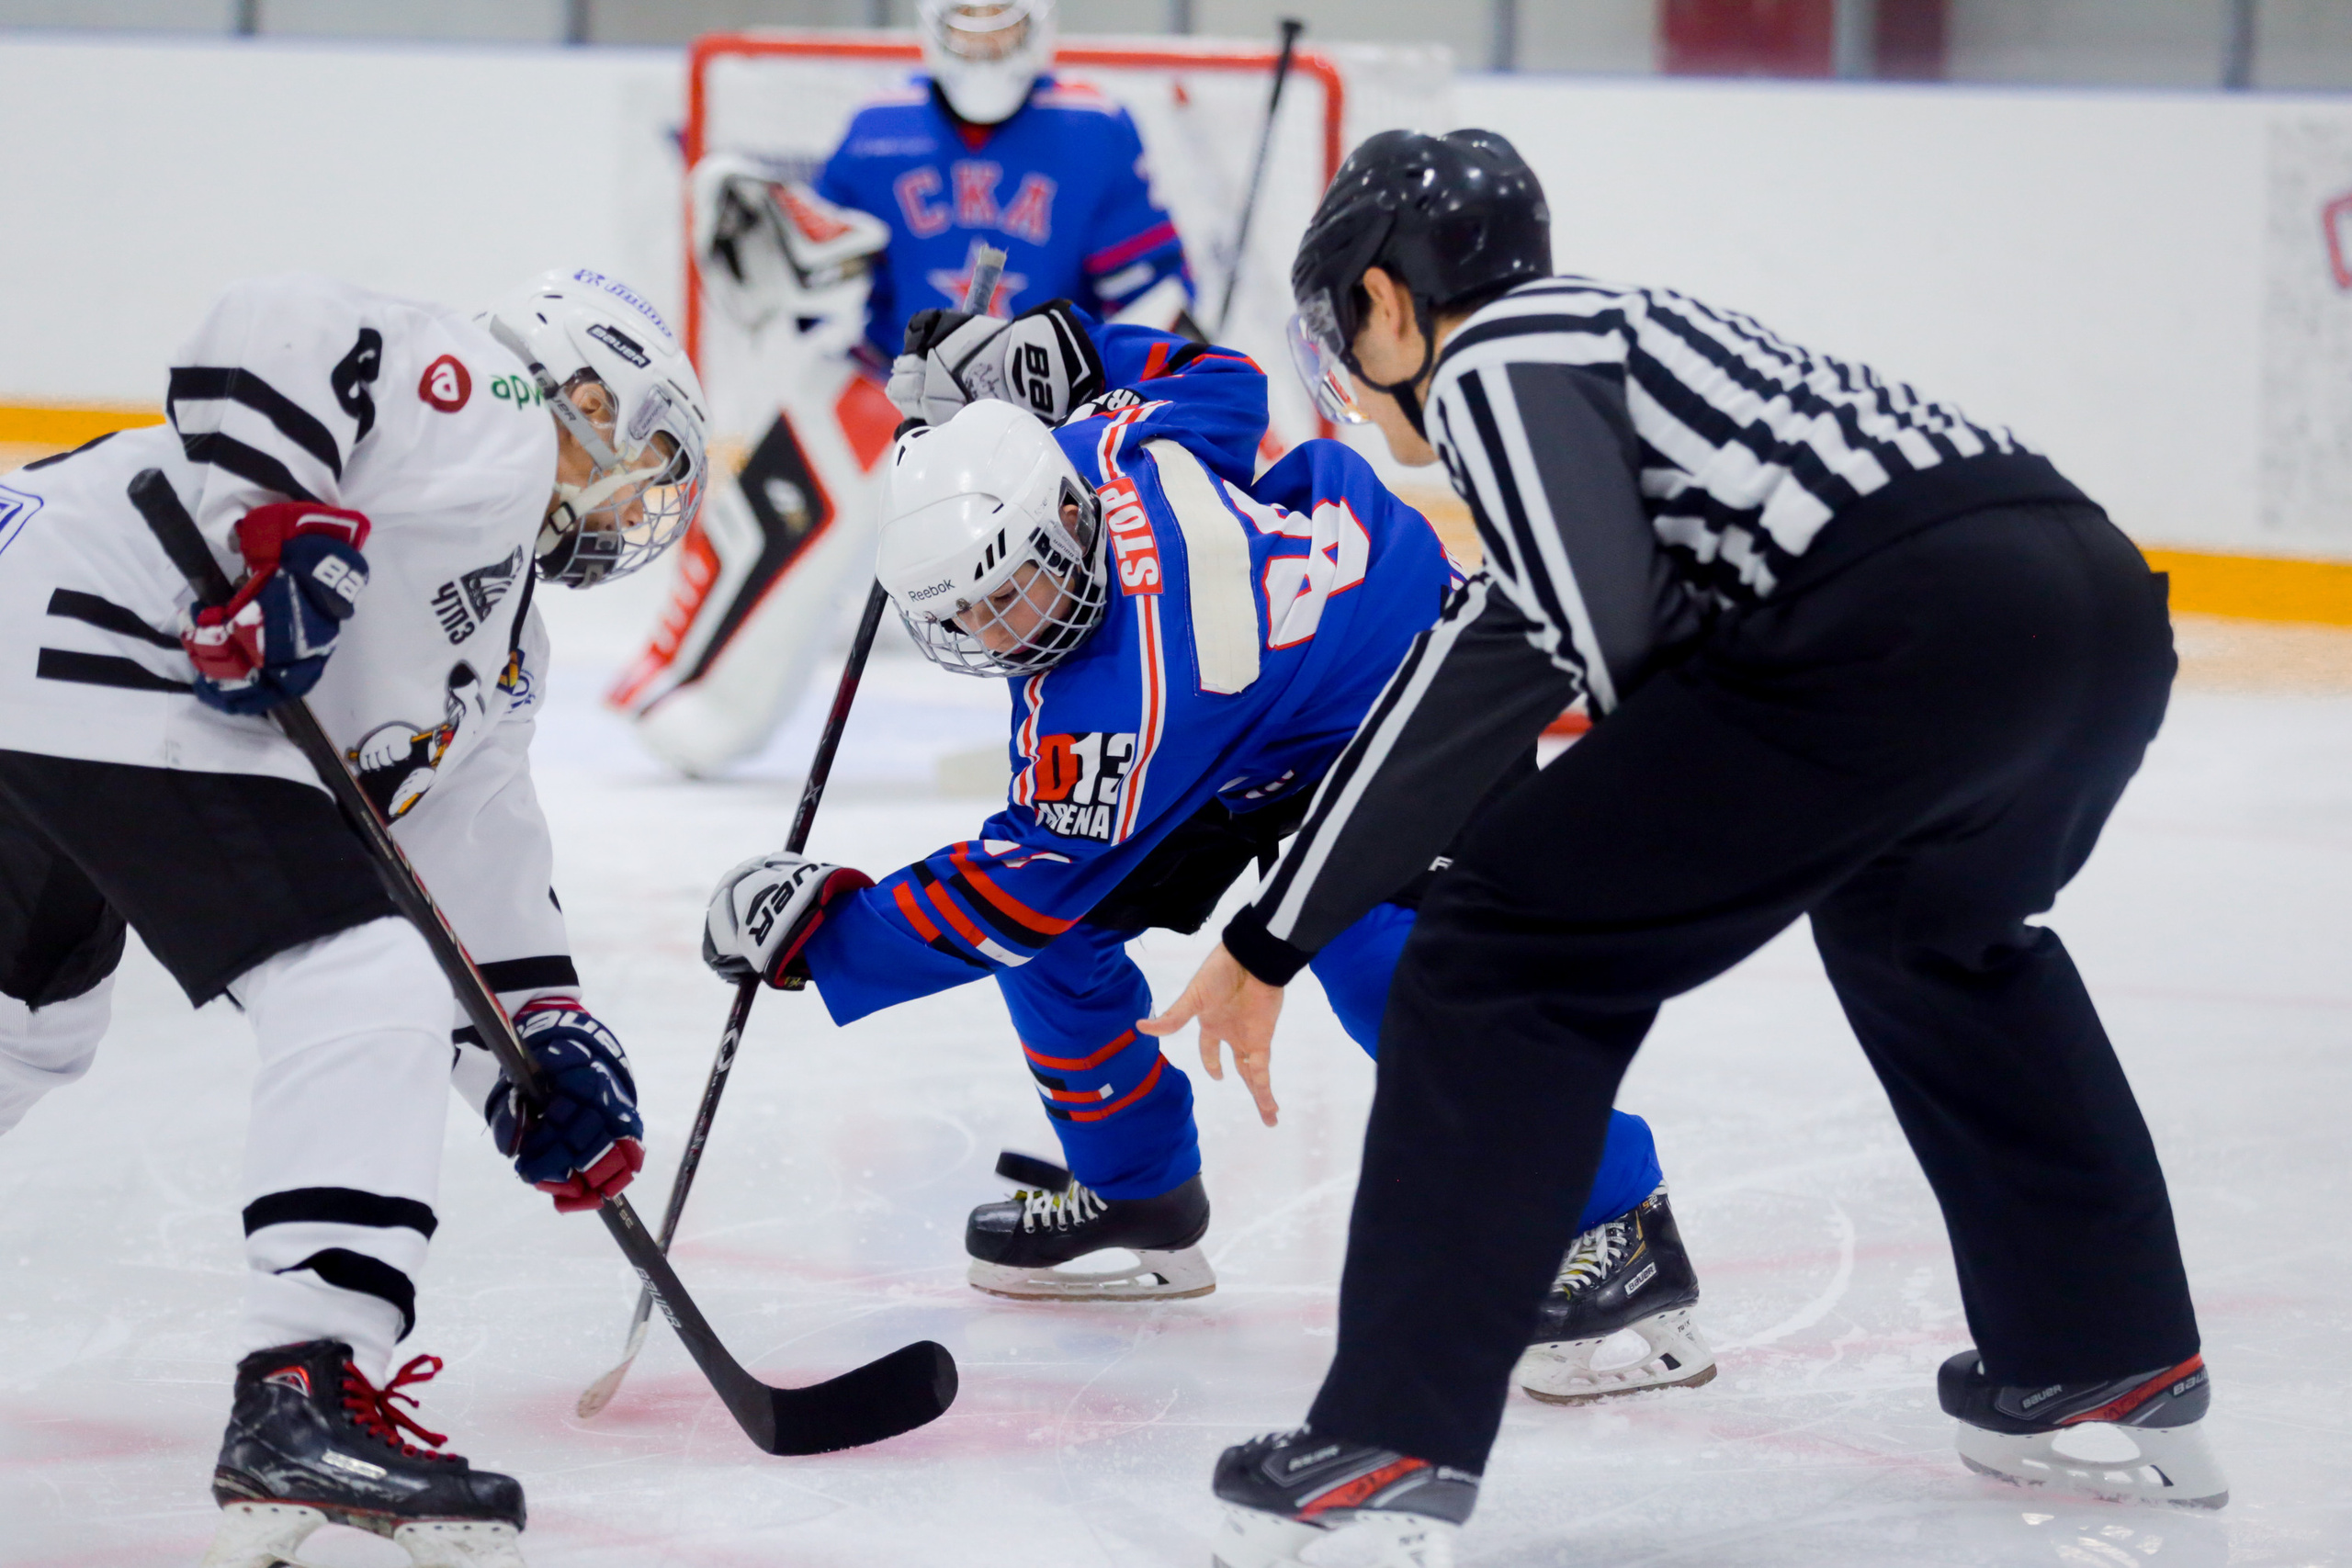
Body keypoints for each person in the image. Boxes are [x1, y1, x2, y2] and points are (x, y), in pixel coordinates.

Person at [1136, 130, 2223, 1568]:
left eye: (1345, 312)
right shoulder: (1628, 355)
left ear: (1393, 302)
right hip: (2083, 607)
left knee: (1490, 956)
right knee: (1934, 939)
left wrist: (1583, 900)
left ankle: (1388, 1444)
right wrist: (1275, 936)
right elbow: (1463, 691)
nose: (1345, 352)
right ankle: (2105, 1347)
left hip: (1898, 622)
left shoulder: (1499, 359)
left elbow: (1616, 662)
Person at [697, 299, 1715, 1406]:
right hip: (1252, 726)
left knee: (1393, 969)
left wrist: (827, 934)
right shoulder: (1103, 447)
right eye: (968, 614)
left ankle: (1620, 1227)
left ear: (1064, 530)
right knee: (1069, 936)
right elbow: (1220, 378)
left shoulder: (1120, 697)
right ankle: (1139, 1191)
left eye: (1014, 588)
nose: (1001, 631)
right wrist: (1055, 355)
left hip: (1403, 676)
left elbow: (1011, 891)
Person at [0, 267, 707, 1568]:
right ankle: (298, 1397)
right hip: (93, 629)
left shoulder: (503, 635)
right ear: (589, 396)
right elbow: (273, 320)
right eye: (646, 452)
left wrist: (531, 1042)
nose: (643, 494)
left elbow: (465, 844)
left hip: (37, 656)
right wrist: (285, 532)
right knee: (357, 975)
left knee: (26, 1024)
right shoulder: (495, 412)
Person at [614, 0, 1199, 776]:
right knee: (808, 443)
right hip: (902, 384)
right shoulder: (876, 128)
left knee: (1121, 507)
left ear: (1037, 28)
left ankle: (1134, 707)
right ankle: (698, 686)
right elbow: (837, 287)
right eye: (968, 29)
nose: (985, 50)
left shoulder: (1095, 127)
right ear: (932, 29)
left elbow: (1151, 296)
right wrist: (797, 276)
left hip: (1041, 398)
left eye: (1002, 29)